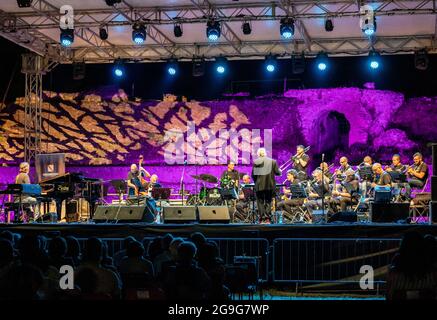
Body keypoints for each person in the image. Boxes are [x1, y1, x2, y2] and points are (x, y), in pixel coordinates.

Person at [251, 148, 282, 224]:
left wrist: (256, 182)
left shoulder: (256, 162)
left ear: (258, 154)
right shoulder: (273, 161)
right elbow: (277, 173)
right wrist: (280, 171)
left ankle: (262, 218)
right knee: (268, 201)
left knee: (260, 201)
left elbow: (253, 175)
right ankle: (267, 218)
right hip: (270, 185)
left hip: (259, 185)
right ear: (265, 153)